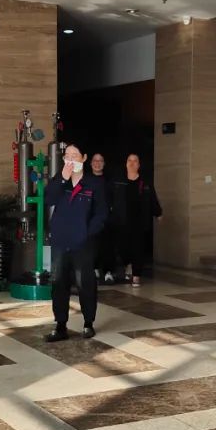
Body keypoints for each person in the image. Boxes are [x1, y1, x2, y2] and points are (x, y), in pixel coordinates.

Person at [44, 143, 107, 342]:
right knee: (58, 282)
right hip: (60, 241)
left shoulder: (94, 184)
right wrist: (62, 178)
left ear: (84, 158)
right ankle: (60, 325)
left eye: (75, 155)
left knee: (85, 282)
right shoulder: (59, 179)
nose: (70, 159)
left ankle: (88, 323)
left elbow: (101, 213)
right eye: (67, 155)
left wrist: (88, 232)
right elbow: (48, 199)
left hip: (83, 242)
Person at [110, 153, 162, 287]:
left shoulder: (145, 182)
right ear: (126, 163)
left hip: (140, 221)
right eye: (130, 160)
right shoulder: (119, 181)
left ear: (139, 165)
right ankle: (128, 263)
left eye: (135, 161)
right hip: (122, 220)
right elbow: (111, 198)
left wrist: (158, 213)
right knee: (123, 248)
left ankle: (136, 275)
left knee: (138, 248)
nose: (132, 163)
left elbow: (152, 198)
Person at [89, 152, 117, 284]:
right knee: (92, 246)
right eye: (95, 160)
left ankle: (108, 272)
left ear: (104, 164)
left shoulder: (109, 181)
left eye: (100, 161)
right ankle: (93, 269)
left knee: (107, 246)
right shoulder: (85, 180)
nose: (97, 163)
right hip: (90, 219)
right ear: (91, 163)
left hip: (106, 219)